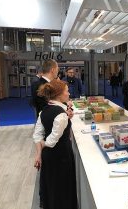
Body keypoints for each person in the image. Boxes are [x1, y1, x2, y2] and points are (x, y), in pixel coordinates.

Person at [33, 79, 78, 209]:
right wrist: (44, 143)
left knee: (51, 186)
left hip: (48, 156)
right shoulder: (61, 115)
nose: (69, 93)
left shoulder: (44, 111)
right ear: (59, 94)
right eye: (67, 91)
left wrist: (40, 151)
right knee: (63, 187)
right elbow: (51, 142)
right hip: (61, 156)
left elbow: (37, 135)